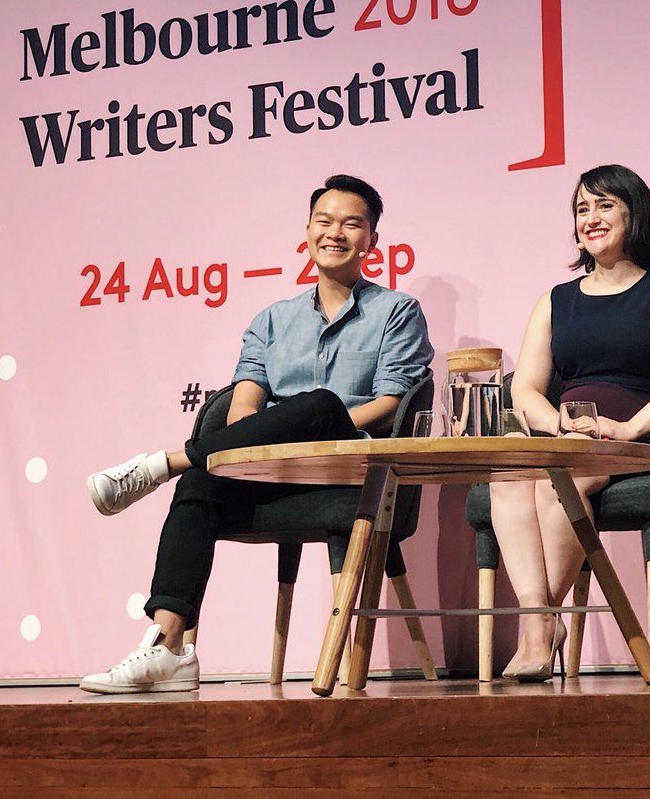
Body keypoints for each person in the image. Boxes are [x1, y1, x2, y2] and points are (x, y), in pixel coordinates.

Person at [80, 173, 433, 693]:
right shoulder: (272, 319)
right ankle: (168, 645)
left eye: (351, 224)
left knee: (321, 403)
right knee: (198, 487)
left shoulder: (396, 312)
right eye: (324, 221)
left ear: (372, 241)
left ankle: (163, 462)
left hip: (351, 470)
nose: (335, 232)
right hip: (275, 472)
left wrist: (316, 431)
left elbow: (389, 404)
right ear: (308, 230)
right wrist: (269, 441)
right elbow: (243, 405)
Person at [491, 164, 650, 682]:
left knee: (560, 482)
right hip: (568, 434)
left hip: (635, 436)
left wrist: (630, 427)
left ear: (634, 213)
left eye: (604, 205)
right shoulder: (556, 300)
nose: (590, 218)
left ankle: (538, 629)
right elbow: (523, 387)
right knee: (508, 466)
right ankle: (539, 625)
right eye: (581, 208)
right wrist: (557, 428)